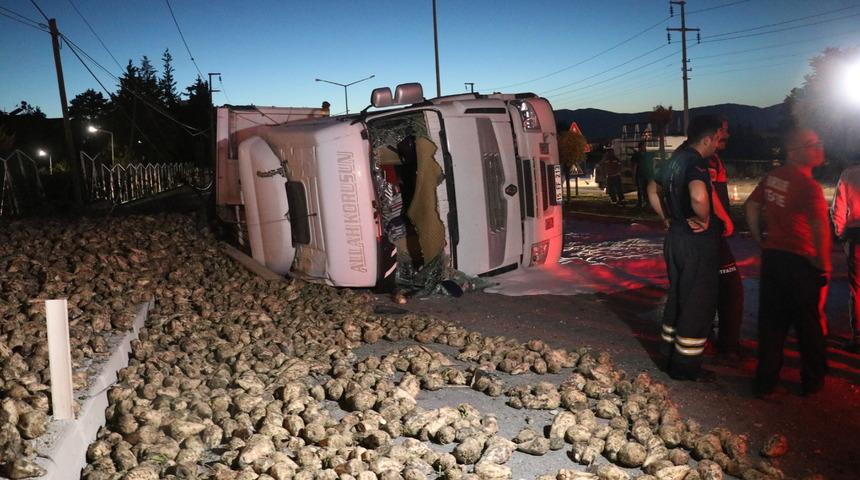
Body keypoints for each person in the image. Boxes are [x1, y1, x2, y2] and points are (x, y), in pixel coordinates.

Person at [745, 128, 830, 397]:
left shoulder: (773, 177)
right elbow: (820, 228)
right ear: (795, 152)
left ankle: (765, 381)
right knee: (808, 327)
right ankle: (812, 380)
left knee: (771, 324)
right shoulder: (808, 186)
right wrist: (823, 262)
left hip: (774, 260)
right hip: (801, 262)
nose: (819, 147)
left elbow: (751, 206)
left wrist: (760, 238)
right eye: (812, 144)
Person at [647, 114, 732, 382]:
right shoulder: (696, 163)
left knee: (678, 296)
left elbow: (651, 189)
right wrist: (705, 219)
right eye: (717, 140)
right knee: (698, 303)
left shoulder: (674, 160)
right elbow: (698, 195)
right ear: (707, 139)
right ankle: (685, 368)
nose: (718, 144)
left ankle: (669, 356)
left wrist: (667, 218)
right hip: (696, 243)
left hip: (675, 238)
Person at [707, 119, 745, 361]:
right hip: (711, 234)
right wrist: (724, 219)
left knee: (711, 287)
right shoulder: (707, 159)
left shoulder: (695, 157)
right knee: (731, 288)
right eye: (723, 130)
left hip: (705, 233)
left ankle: (709, 340)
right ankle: (727, 346)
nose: (727, 135)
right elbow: (707, 191)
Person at [830, 160, 860, 352]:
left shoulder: (849, 174)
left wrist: (840, 233)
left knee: (857, 289)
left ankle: (858, 337)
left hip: (856, 236)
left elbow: (838, 209)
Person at [631, 141, 650, 207]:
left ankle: (646, 202)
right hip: (640, 175)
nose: (645, 147)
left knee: (646, 189)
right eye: (644, 146)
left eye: (645, 146)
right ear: (640, 147)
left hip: (646, 174)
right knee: (640, 189)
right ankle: (641, 202)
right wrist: (634, 176)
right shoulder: (637, 155)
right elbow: (634, 166)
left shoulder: (646, 154)